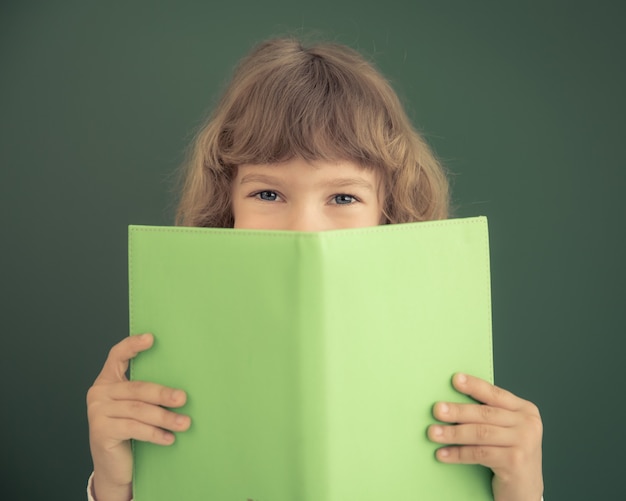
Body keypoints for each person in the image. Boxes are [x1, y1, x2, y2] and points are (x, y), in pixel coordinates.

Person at [86, 37, 544, 501]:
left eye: (343, 197)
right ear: (227, 207)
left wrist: (522, 491)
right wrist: (115, 486)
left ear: (390, 212)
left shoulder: (444, 363)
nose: (303, 230)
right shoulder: (167, 361)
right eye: (267, 194)